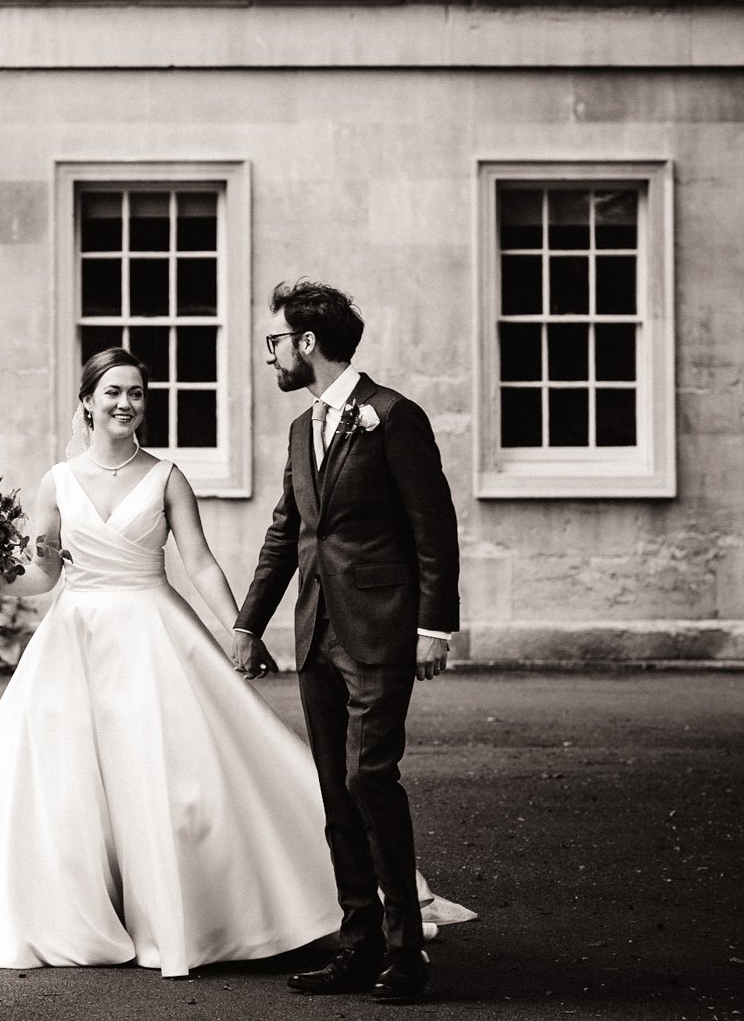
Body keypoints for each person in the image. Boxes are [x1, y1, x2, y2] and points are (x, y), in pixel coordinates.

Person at [0, 343, 470, 979]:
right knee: (64, 784)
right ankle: (76, 912)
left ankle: (205, 913)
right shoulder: (56, 483)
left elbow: (198, 560)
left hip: (153, 632)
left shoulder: (167, 476)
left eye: (136, 393)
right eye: (113, 392)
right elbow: (42, 573)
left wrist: (239, 626)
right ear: (87, 402)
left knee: (169, 780)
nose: (126, 403)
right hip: (75, 639)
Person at [234, 279, 462, 1002]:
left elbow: (434, 528)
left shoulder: (394, 417)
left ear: (306, 344)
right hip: (315, 634)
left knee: (370, 778)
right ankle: (357, 944)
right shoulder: (303, 431)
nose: (270, 355)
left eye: (276, 342)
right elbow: (286, 531)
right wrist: (249, 622)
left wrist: (435, 627)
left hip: (382, 629)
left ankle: (405, 952)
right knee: (335, 793)